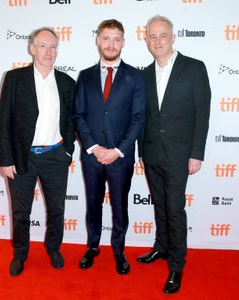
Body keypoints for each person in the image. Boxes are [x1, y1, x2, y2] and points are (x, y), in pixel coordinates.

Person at [137, 15, 211, 294]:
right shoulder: (143, 74)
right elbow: (142, 116)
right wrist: (141, 151)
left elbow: (202, 114)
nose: (157, 41)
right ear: (146, 40)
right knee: (159, 204)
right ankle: (162, 247)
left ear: (173, 37)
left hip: (181, 154)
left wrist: (196, 153)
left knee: (174, 209)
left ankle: (177, 265)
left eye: (162, 35)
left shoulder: (194, 68)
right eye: (152, 37)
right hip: (152, 153)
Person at [0, 27, 76, 276]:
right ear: (32, 48)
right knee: (21, 211)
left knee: (57, 209)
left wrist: (68, 152)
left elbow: (72, 121)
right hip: (22, 157)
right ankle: (20, 253)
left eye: (53, 46)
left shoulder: (66, 82)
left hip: (55, 155)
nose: (48, 51)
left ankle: (54, 248)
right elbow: (4, 122)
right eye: (43, 45)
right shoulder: (14, 78)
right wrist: (6, 159)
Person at [74, 19, 146, 275]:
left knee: (120, 205)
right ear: (98, 40)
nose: (111, 44)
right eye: (106, 38)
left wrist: (117, 151)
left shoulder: (136, 77)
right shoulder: (85, 76)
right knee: (93, 204)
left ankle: (118, 250)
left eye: (117, 39)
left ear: (123, 42)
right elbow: (78, 115)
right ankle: (93, 247)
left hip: (121, 157)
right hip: (92, 156)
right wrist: (93, 147)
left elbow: (138, 118)